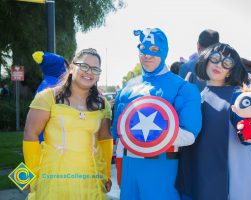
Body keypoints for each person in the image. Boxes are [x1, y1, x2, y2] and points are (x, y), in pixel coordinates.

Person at [111, 28, 202, 200]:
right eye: (143, 49)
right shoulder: (128, 88)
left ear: (164, 51)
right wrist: (120, 167)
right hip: (130, 166)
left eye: (154, 50)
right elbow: (120, 136)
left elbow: (190, 135)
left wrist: (153, 136)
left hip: (163, 167)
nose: (147, 55)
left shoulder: (183, 88)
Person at [176, 43, 251, 200]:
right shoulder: (197, 95)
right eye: (215, 58)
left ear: (231, 70)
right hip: (200, 169)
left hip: (230, 176)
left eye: (227, 63)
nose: (219, 65)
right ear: (205, 59)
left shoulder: (238, 96)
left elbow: (249, 130)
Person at [23, 48, 113, 199]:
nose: (89, 72)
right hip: (52, 179)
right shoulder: (48, 97)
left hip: (90, 179)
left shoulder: (103, 103)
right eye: (84, 66)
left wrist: (107, 174)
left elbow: (105, 138)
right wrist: (27, 177)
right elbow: (29, 133)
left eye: (95, 69)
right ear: (71, 68)